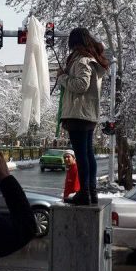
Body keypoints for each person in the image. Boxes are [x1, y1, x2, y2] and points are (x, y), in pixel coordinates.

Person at [57, 27, 109, 206]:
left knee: (82, 155)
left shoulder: (81, 61)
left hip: (78, 113)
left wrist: (63, 77)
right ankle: (91, 191)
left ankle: (84, 192)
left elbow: (81, 85)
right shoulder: (92, 60)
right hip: (88, 114)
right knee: (88, 154)